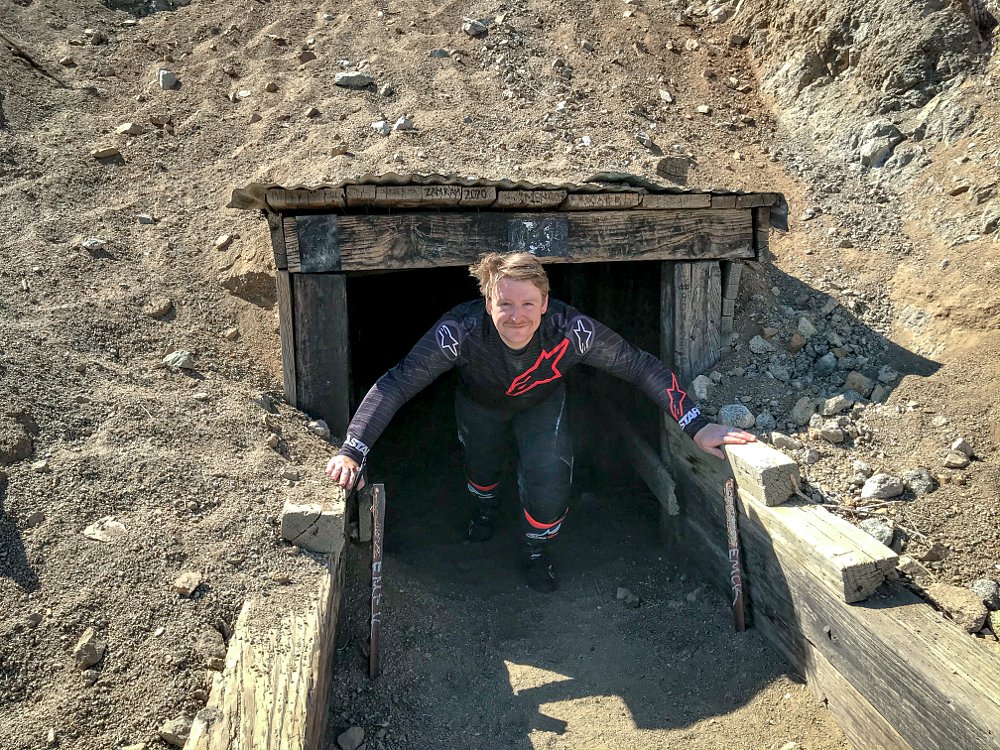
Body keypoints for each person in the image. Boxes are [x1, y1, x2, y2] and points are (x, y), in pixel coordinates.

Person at [326, 252, 756, 592]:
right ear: (487, 302)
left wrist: (697, 425)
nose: (517, 315)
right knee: (482, 466)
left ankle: (535, 551)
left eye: (528, 303)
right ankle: (485, 509)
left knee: (549, 478)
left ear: (545, 303)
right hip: (480, 404)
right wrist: (353, 448)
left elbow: (638, 366)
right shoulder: (458, 330)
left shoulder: (571, 330)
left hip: (543, 404)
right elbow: (398, 382)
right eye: (505, 304)